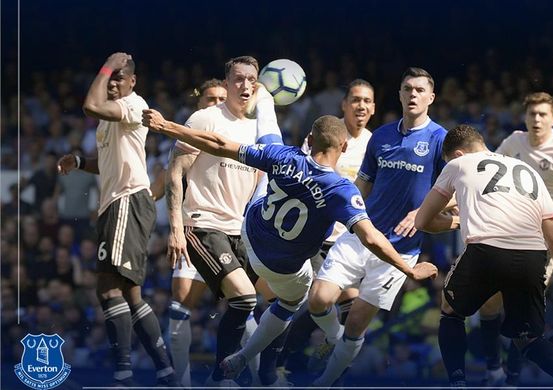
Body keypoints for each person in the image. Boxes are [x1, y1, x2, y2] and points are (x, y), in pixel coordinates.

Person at [141, 113, 438, 382]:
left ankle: (266, 101)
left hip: (250, 236)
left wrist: (167, 126)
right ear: (344, 148)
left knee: (267, 154)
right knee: (292, 301)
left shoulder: (286, 155)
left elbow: (218, 143)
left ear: (309, 141)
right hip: (282, 266)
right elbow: (371, 237)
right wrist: (407, 268)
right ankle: (245, 358)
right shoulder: (340, 189)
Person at [305, 67, 449, 387]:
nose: (413, 95)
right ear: (399, 94)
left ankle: (324, 382)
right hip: (361, 236)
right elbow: (362, 186)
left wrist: (423, 212)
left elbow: (453, 192)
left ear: (431, 97)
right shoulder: (381, 136)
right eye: (407, 89)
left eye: (419, 90)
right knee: (318, 299)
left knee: (356, 323)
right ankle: (333, 339)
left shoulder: (441, 139)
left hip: (401, 249)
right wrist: (339, 217)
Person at [414, 124, 553, 387]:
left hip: (486, 251)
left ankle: (458, 383)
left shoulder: (458, 165)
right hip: (532, 258)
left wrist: (458, 222)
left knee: (451, 312)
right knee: (527, 337)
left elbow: (422, 220)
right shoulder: (529, 171)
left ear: (458, 155)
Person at [146, 56, 283, 386]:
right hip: (202, 225)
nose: (245, 85)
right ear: (227, 82)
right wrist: (177, 229)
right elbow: (176, 173)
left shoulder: (257, 131)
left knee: (283, 299)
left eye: (252, 79)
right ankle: (218, 376)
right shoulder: (205, 118)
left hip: (241, 231)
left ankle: (265, 374)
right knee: (243, 298)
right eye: (238, 79)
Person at [56, 52, 178, 386]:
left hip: (127, 202)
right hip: (121, 204)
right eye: (110, 77)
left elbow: (89, 106)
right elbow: (109, 160)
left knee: (108, 290)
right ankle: (166, 372)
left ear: (133, 81)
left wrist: (106, 64)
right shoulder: (114, 117)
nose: (112, 82)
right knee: (131, 295)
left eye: (119, 77)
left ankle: (123, 377)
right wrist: (81, 162)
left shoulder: (133, 105)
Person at [480, 91, 553, 385]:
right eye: (532, 114)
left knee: (523, 313)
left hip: (543, 242)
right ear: (525, 117)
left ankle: (512, 379)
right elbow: (488, 177)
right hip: (506, 233)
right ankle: (493, 367)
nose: (537, 119)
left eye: (543, 114)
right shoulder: (513, 143)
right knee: (489, 302)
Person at [273, 79, 376, 381]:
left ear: (373, 108)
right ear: (343, 105)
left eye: (367, 101)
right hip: (318, 236)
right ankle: (285, 362)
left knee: (348, 310)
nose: (361, 106)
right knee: (323, 300)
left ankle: (306, 365)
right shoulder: (323, 134)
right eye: (355, 99)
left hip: (351, 240)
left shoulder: (375, 144)